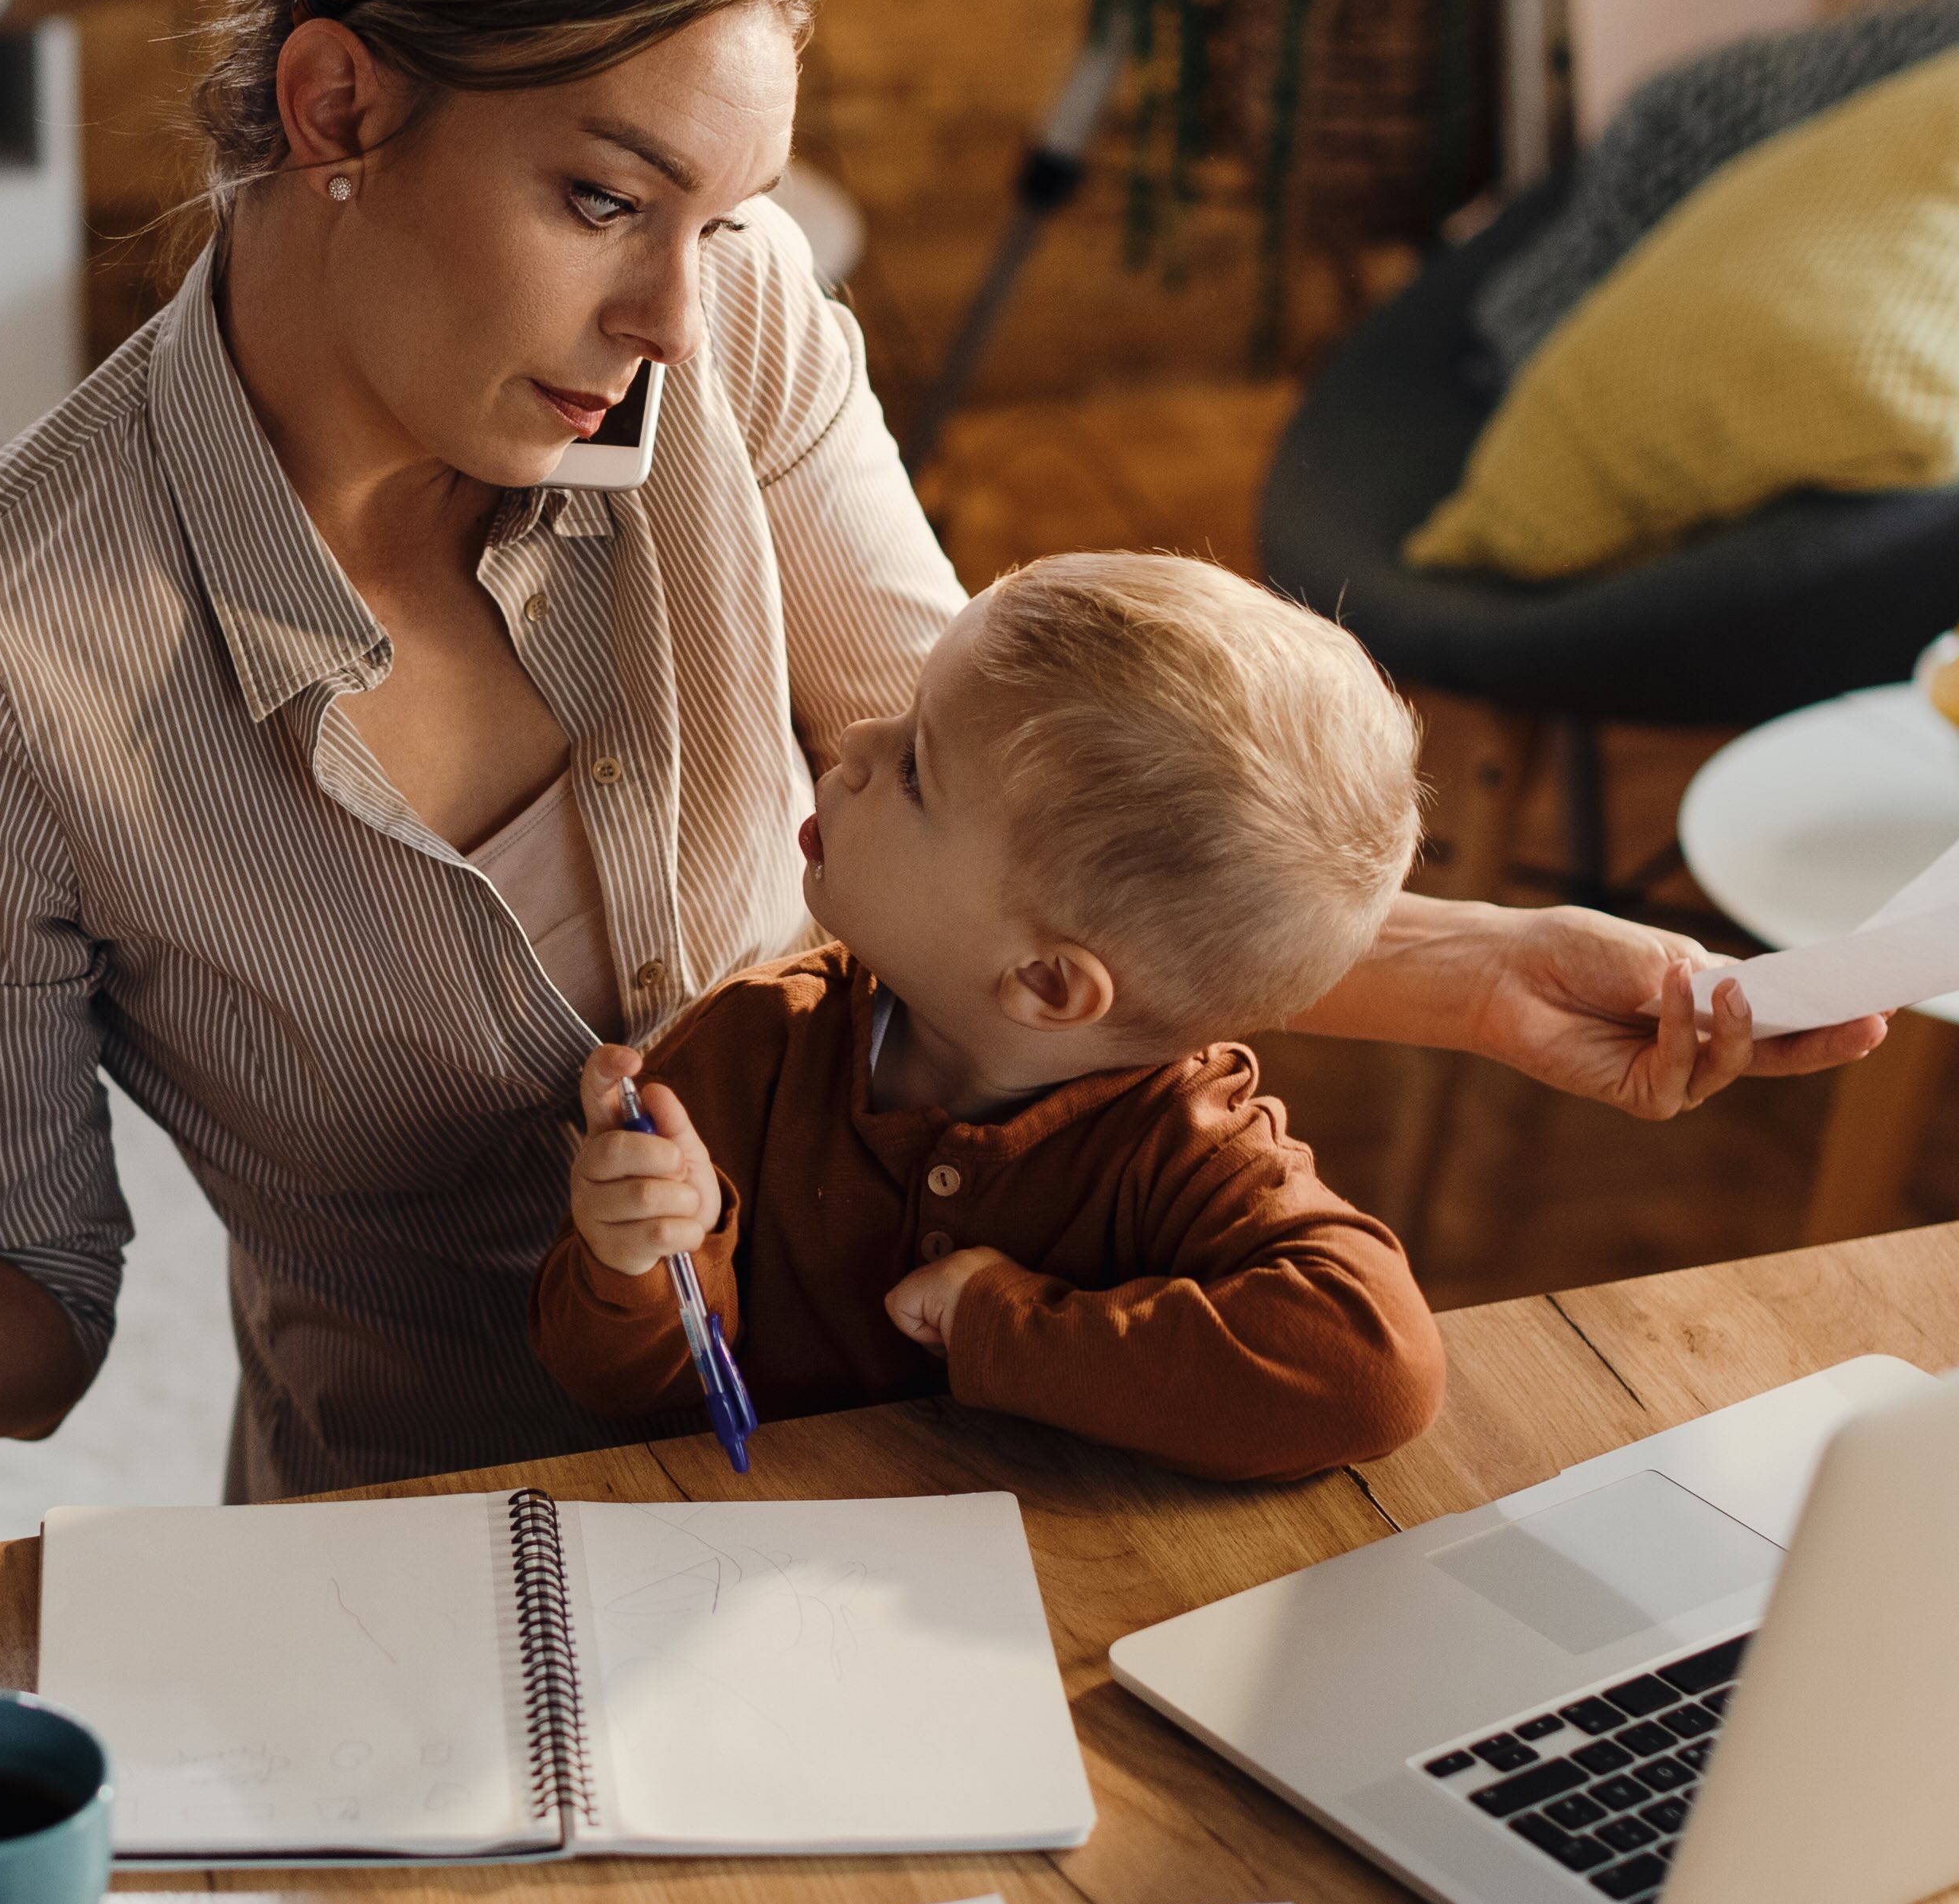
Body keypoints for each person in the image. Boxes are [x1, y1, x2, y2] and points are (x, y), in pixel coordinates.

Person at [0, 0, 1883, 1502]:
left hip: (902, 1467)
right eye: (603, 199)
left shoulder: (726, 327)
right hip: (435, 1543)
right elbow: (33, 1322)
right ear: (339, 109)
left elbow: (1016, 803)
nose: (670, 310)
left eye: (714, 219)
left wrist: (1463, 976)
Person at [537, 551, 1442, 1479]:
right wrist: (637, 1261)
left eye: (917, 770)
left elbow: (1380, 1370)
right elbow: (606, 1381)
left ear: (1048, 985)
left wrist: (1007, 1326)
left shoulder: (1189, 1144)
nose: (853, 742)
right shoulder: (749, 1049)